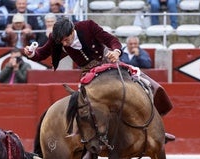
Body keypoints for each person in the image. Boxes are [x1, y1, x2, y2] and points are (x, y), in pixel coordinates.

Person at [23, 17, 175, 143]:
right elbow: (42, 53)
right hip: (88, 72)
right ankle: (89, 144)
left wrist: (116, 51)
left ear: (72, 31)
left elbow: (111, 40)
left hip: (107, 62)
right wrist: (31, 54)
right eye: (61, 42)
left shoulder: (88, 26)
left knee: (144, 84)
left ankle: (157, 129)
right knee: (83, 105)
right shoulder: (56, 38)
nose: (64, 44)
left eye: (66, 39)